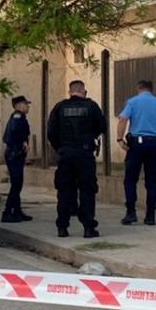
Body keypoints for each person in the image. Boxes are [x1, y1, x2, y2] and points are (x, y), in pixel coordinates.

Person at [47, 80, 107, 238]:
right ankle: (88, 228)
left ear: (69, 92)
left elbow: (51, 132)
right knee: (87, 191)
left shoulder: (60, 107)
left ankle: (62, 227)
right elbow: (102, 127)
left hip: (66, 154)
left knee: (64, 191)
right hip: (85, 154)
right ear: (84, 92)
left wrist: (60, 148)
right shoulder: (91, 106)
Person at [115, 80, 156, 226]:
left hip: (137, 144)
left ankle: (131, 213)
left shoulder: (133, 102)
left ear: (138, 88)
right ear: (151, 90)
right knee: (151, 181)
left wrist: (120, 140)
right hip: (155, 144)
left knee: (130, 179)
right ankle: (150, 216)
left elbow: (123, 119)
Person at [1, 96, 33, 223]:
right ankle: (7, 212)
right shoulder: (17, 117)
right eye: (26, 104)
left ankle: (17, 211)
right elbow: (13, 133)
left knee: (17, 184)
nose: (28, 106)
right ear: (19, 105)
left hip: (15, 154)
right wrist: (22, 143)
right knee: (16, 185)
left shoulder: (18, 117)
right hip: (14, 154)